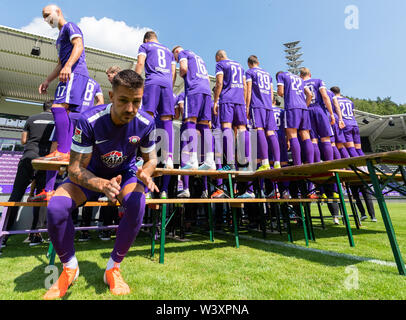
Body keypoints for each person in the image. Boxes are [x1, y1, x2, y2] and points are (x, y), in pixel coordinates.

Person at [43, 70, 158, 299]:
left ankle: (113, 268)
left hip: (124, 174)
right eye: (124, 101)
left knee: (138, 201)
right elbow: (74, 168)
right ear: (111, 95)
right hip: (90, 174)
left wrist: (146, 172)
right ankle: (69, 268)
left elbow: (151, 158)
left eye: (136, 102)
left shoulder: (146, 122)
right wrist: (101, 184)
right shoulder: (89, 121)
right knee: (56, 207)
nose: (130, 109)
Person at [38, 4, 89, 162]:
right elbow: (60, 63)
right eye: (44, 17)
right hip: (67, 72)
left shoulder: (70, 26)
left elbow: (79, 46)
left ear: (57, 11)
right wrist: (47, 80)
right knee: (64, 112)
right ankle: (64, 151)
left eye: (47, 15)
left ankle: (62, 150)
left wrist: (68, 66)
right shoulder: (59, 38)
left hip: (75, 72)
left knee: (58, 107)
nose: (46, 19)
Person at [1, 101, 54, 248]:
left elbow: (24, 140)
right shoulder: (56, 121)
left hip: (28, 158)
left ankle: (4, 235)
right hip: (46, 160)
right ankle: (35, 236)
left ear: (43, 107)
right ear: (54, 107)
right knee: (42, 196)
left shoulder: (31, 118)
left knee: (16, 195)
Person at [213, 50, 252, 198]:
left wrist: (216, 101)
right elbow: (244, 85)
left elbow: (219, 82)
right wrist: (243, 103)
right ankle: (245, 162)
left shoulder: (220, 64)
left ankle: (230, 163)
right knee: (242, 129)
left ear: (218, 57)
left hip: (227, 99)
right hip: (239, 101)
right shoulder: (239, 66)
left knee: (227, 127)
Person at [135, 31, 176, 169]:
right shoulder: (169, 52)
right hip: (167, 84)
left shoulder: (145, 46)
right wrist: (169, 85)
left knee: (148, 117)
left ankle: (145, 156)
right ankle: (169, 158)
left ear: (146, 39)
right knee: (167, 119)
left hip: (152, 82)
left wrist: (133, 82)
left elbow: (140, 63)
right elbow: (173, 71)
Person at [172, 46, 215, 170]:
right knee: (205, 125)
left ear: (176, 52)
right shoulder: (199, 57)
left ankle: (193, 160)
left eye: (175, 58)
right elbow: (207, 77)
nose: (176, 60)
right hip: (206, 90)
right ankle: (209, 160)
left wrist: (181, 74)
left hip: (194, 90)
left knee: (190, 122)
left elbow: (184, 69)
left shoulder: (182, 53)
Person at [245, 55, 280, 171]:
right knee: (271, 132)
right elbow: (271, 92)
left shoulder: (250, 72)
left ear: (249, 63)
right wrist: (269, 104)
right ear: (258, 62)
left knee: (259, 130)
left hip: (257, 105)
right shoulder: (267, 74)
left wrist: (247, 106)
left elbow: (249, 89)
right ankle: (277, 163)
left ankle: (265, 163)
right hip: (268, 105)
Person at [276, 71, 313, 166]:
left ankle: (298, 164)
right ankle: (311, 163)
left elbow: (280, 92)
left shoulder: (281, 75)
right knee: (306, 135)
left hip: (292, 107)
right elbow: (309, 94)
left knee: (293, 135)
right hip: (303, 108)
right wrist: (305, 105)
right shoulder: (299, 78)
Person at [331, 86, 364, 157]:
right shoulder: (349, 101)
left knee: (350, 148)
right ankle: (366, 166)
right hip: (354, 124)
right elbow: (353, 113)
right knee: (358, 149)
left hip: (345, 124)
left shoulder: (334, 100)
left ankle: (359, 167)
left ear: (332, 93)